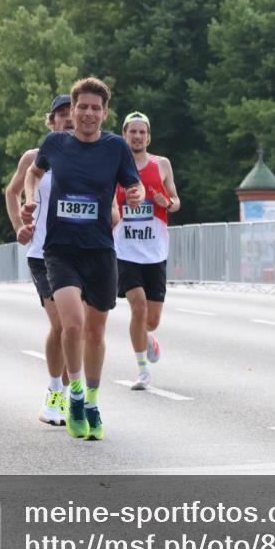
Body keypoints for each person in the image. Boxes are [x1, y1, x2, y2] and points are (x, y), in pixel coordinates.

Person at [23, 77, 144, 441]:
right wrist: (30, 199)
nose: (88, 113)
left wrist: (135, 194)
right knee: (71, 323)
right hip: (59, 250)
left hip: (100, 251)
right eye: (82, 107)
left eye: (96, 108)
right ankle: (73, 395)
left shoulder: (116, 148)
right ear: (72, 112)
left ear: (104, 113)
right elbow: (33, 172)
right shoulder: (55, 143)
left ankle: (92, 400)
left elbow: (131, 184)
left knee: (95, 330)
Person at [5, 94, 75, 426]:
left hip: (81, 252)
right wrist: (21, 227)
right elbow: (11, 192)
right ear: (51, 122)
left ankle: (71, 391)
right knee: (61, 324)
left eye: (71, 113)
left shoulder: (89, 156)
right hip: (42, 253)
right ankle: (54, 392)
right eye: (61, 115)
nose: (68, 119)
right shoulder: (35, 158)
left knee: (78, 327)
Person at [113, 111, 181, 390]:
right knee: (137, 307)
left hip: (155, 250)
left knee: (151, 320)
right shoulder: (113, 165)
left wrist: (165, 201)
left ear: (148, 136)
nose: (138, 136)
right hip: (125, 249)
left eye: (142, 132)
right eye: (133, 132)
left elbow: (176, 202)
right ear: (125, 135)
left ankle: (148, 339)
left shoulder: (161, 164)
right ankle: (143, 372)